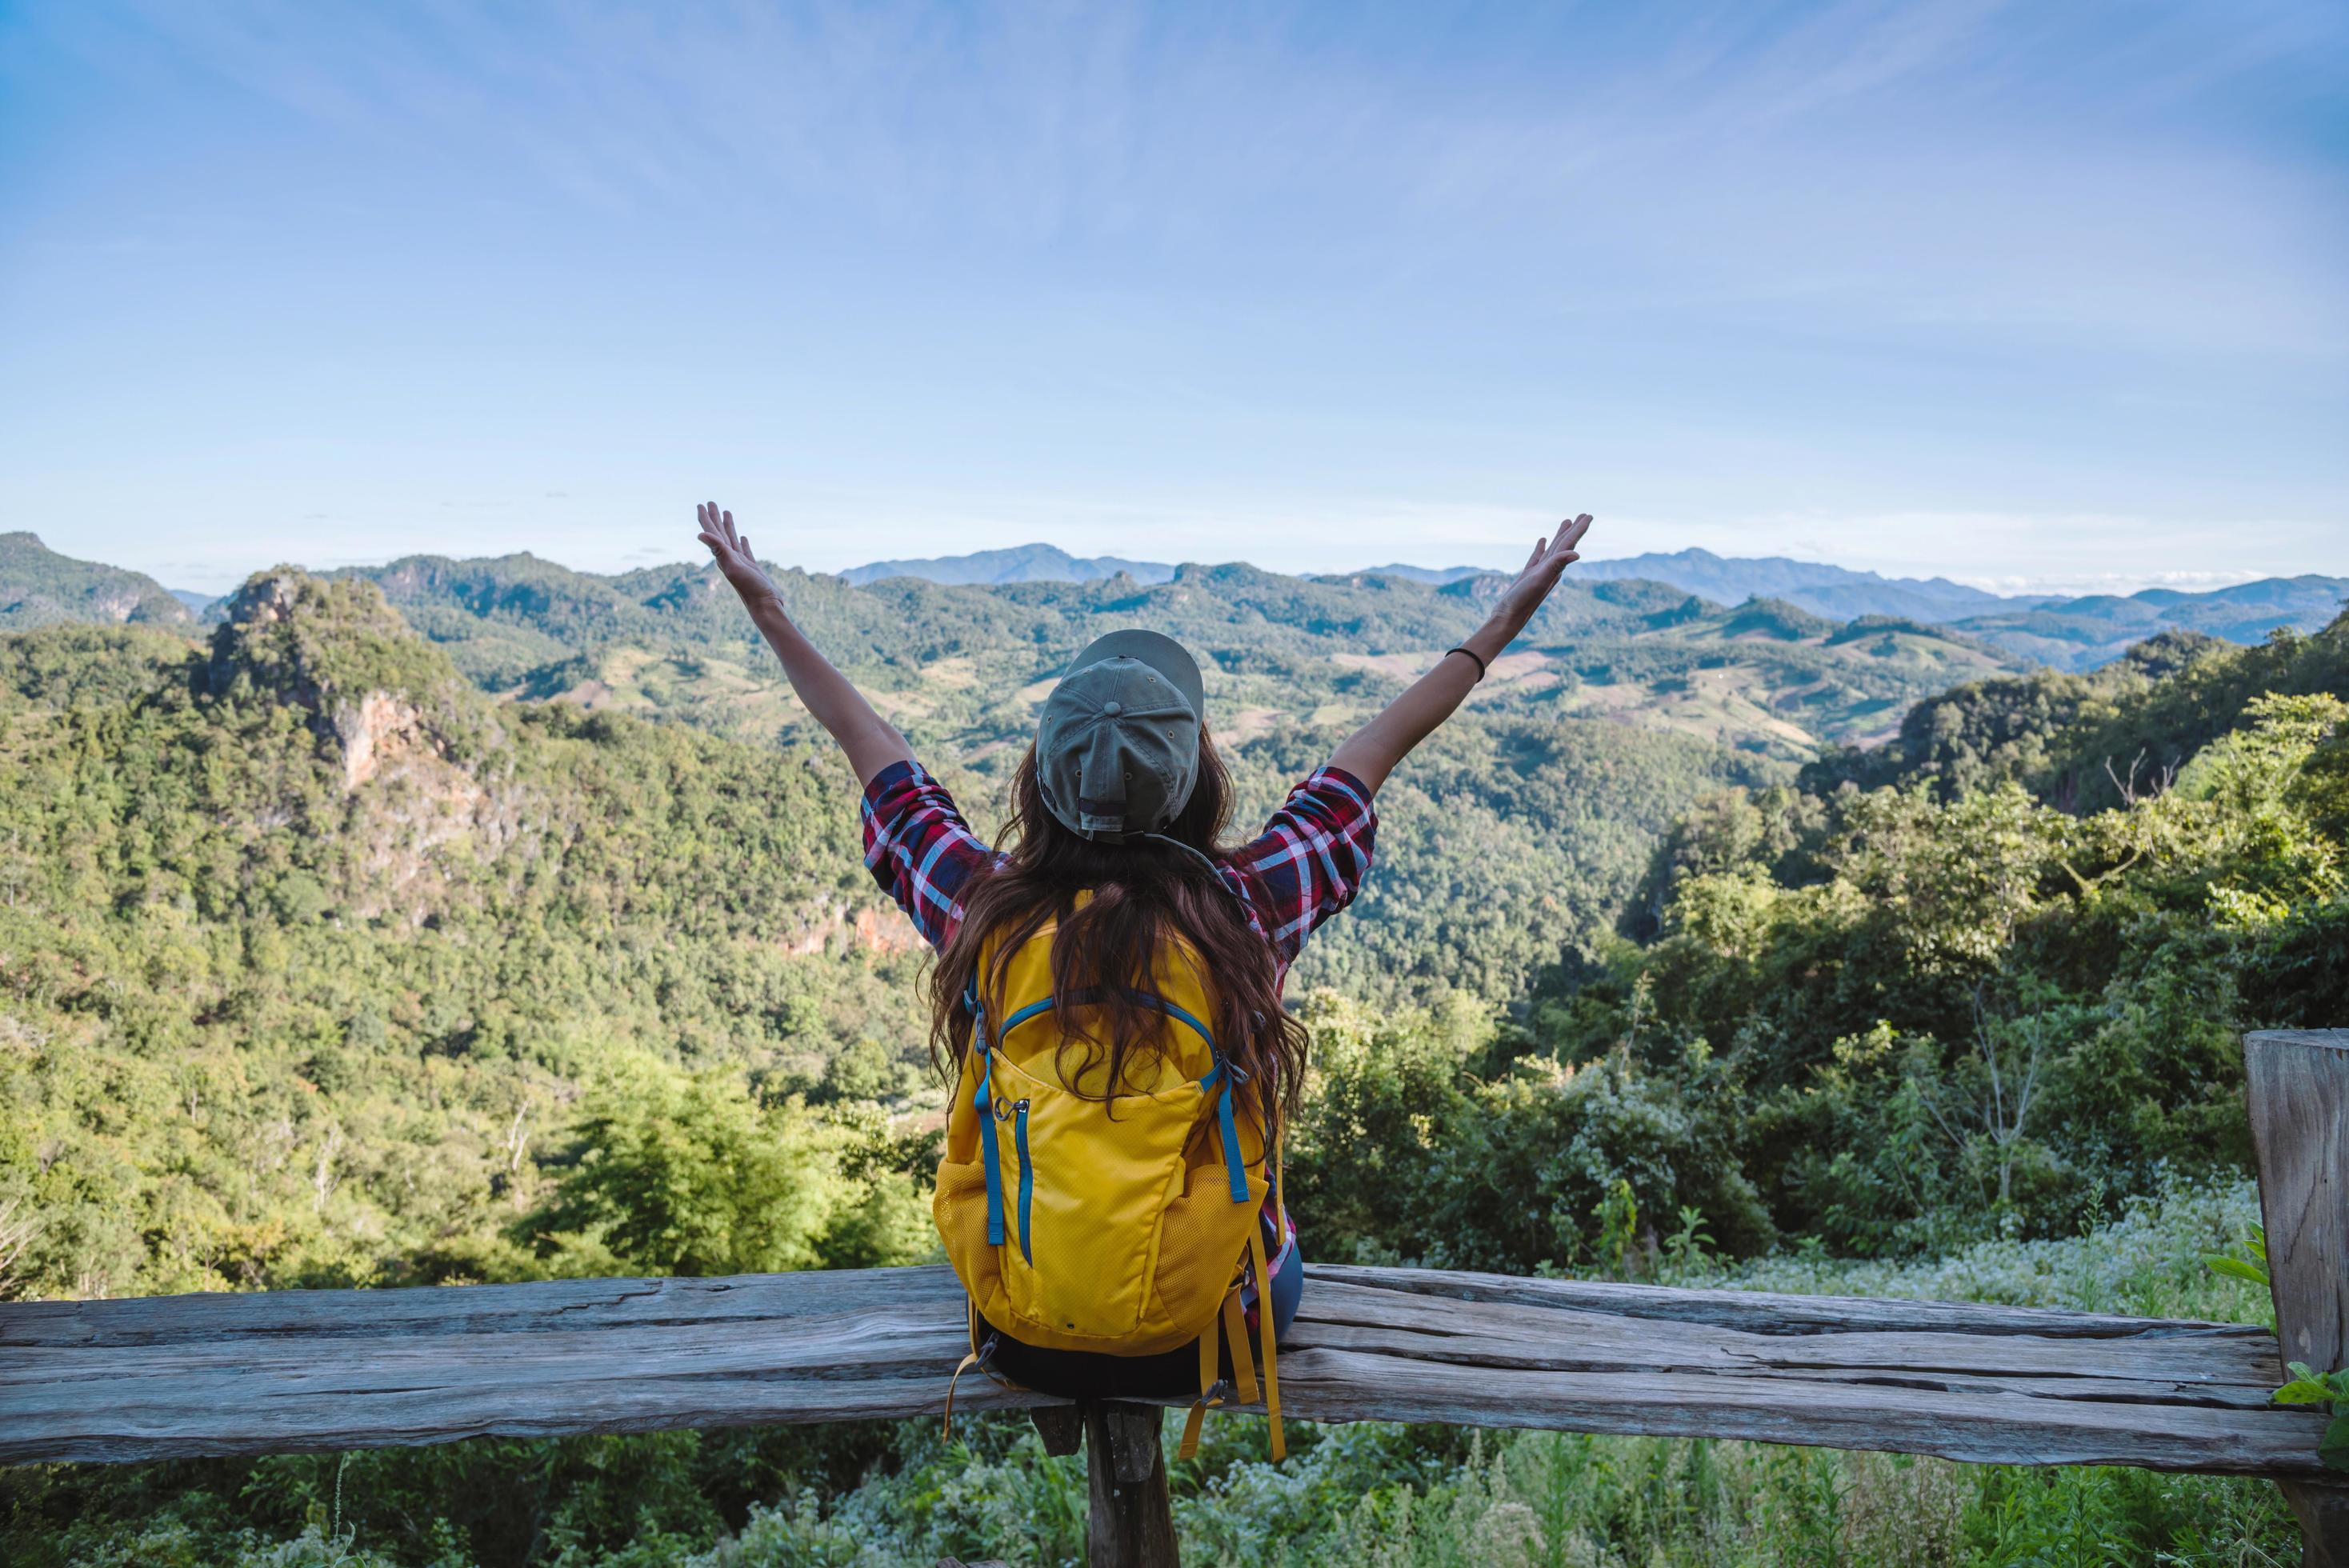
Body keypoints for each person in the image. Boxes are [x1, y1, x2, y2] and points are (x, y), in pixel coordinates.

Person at [694, 501, 1594, 1446]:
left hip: (1016, 1323)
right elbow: (1368, 759)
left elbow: (875, 757)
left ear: (1041, 781)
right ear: (1196, 779)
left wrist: (770, 610)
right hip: (1206, 1329)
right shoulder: (1245, 909)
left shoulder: (984, 910)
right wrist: (1500, 623)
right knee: (1273, 1239)